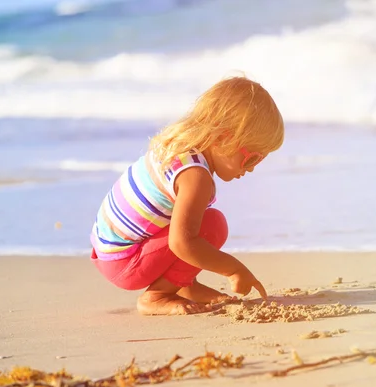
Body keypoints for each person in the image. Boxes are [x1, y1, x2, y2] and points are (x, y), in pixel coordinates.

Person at [89, 76, 285, 315]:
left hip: (109, 251)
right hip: (124, 262)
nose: (253, 167)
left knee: (192, 221)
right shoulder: (196, 178)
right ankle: (158, 296)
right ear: (224, 138)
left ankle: (183, 285)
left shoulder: (179, 148)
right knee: (212, 225)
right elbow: (181, 243)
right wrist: (234, 270)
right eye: (252, 157)